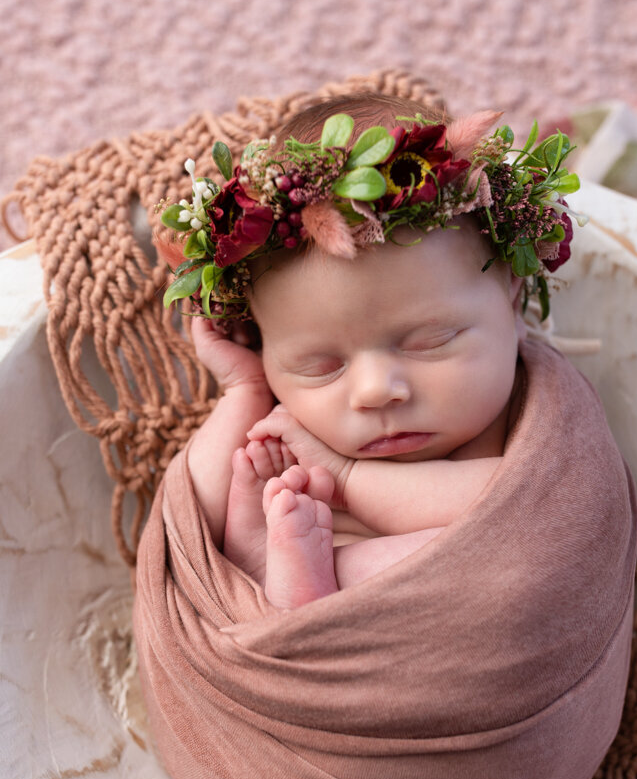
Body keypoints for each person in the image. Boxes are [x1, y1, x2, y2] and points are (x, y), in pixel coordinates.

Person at [159, 93, 581, 609]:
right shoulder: (289, 428)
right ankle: (273, 574)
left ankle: (310, 584)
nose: (375, 390)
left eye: (432, 341)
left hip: (463, 639)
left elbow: (540, 502)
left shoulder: (529, 422)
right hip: (284, 668)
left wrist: (348, 479)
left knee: (510, 543)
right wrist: (242, 390)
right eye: (320, 367)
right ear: (264, 347)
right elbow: (187, 525)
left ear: (513, 301)